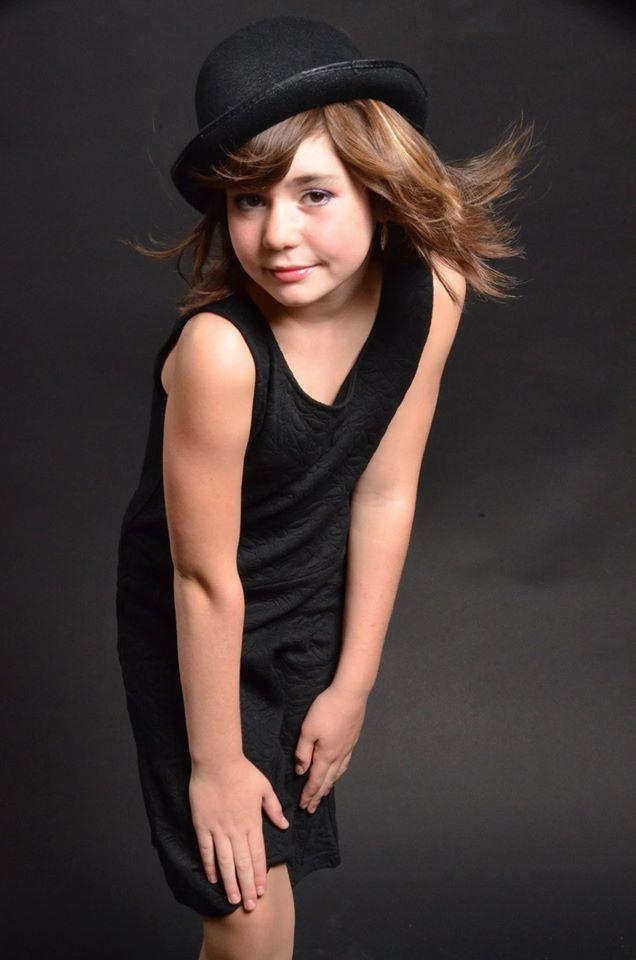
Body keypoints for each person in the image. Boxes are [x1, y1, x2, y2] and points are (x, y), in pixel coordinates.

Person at [116, 14, 536, 960]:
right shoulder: (221, 354)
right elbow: (201, 578)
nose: (278, 235)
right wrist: (215, 763)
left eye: (313, 194)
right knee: (246, 912)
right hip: (197, 628)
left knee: (271, 906)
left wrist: (354, 683)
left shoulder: (435, 288)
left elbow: (385, 488)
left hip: (307, 604)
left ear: (380, 187)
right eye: (248, 201)